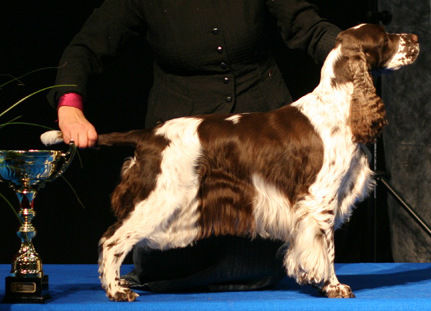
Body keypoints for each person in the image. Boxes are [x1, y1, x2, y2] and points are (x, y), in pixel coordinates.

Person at [48, 0, 341, 291]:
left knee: (258, 271)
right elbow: (87, 45)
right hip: (181, 149)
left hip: (262, 153)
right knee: (170, 269)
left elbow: (310, 28)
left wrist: (356, 52)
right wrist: (69, 104)